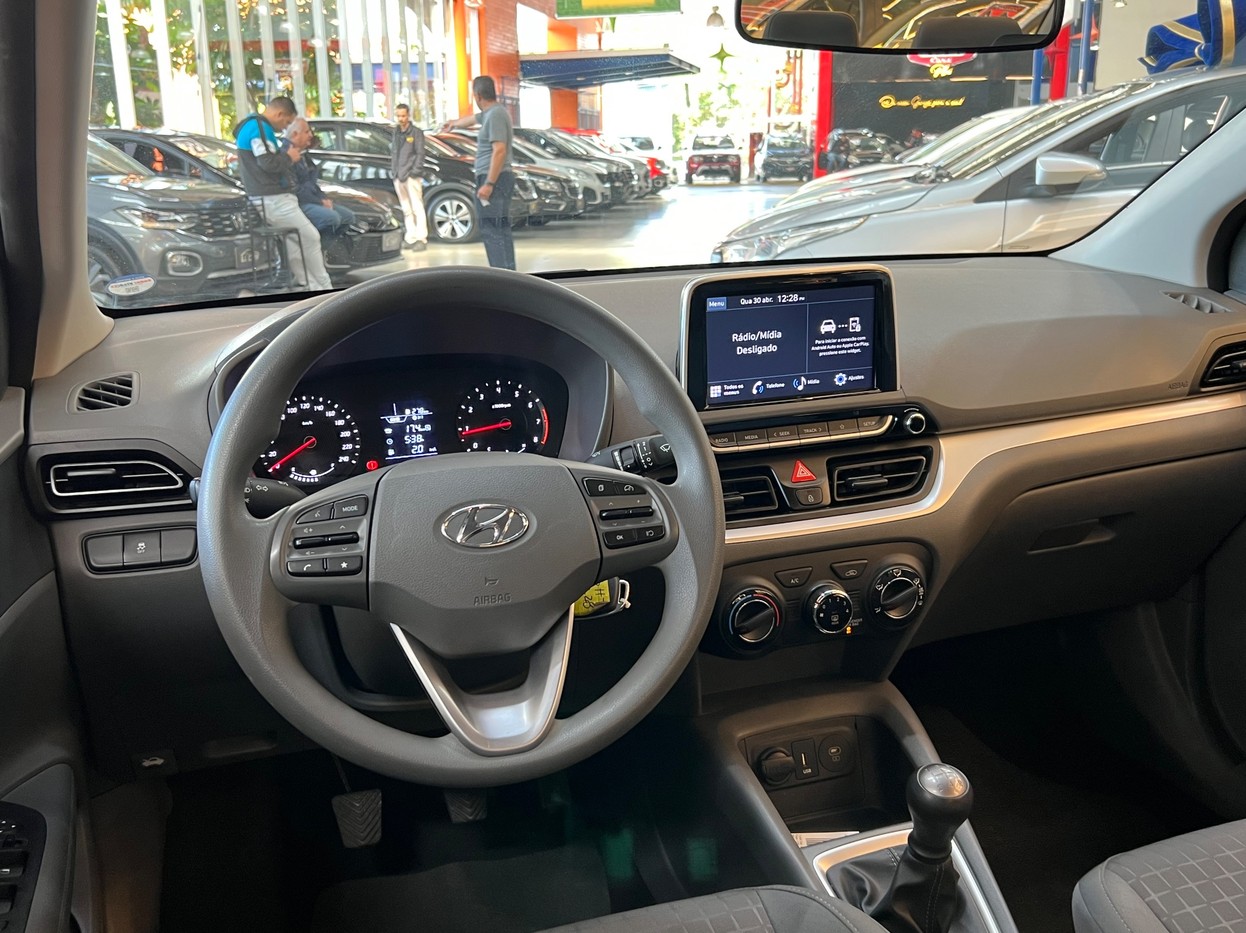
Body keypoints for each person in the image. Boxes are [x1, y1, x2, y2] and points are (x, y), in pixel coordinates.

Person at [233, 96, 332, 292]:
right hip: (273, 198)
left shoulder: (252, 126)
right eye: (286, 122)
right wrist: (289, 157)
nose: (284, 128)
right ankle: (324, 286)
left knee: (295, 241)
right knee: (311, 237)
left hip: (268, 197)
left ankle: (308, 285)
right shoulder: (260, 128)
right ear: (280, 114)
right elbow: (267, 162)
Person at [440, 76, 516, 270]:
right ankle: (507, 273)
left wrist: (489, 183)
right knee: (500, 229)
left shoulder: (495, 115)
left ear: (478, 95)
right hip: (498, 178)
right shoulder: (492, 113)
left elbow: (499, 150)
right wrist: (454, 124)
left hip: (494, 180)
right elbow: (474, 119)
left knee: (492, 230)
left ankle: (501, 274)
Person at [283, 117, 356, 236]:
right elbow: (295, 189)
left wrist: (324, 198)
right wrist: (319, 202)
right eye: (307, 132)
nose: (311, 135)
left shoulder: (303, 154)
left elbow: (312, 183)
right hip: (299, 203)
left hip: (311, 200)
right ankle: (318, 246)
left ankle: (329, 246)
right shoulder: (286, 155)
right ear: (295, 134)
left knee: (348, 216)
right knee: (331, 218)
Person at [391, 104, 428, 251]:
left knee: (417, 207)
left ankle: (421, 238)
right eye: (398, 116)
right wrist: (394, 172)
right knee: (406, 209)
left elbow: (420, 153)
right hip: (398, 175)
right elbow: (394, 152)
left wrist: (414, 172)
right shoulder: (396, 132)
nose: (401, 119)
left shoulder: (416, 133)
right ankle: (411, 237)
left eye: (403, 116)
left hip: (411, 176)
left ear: (408, 115)